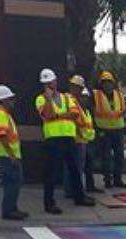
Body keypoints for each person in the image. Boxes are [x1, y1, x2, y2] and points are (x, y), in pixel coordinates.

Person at [35, 68, 94, 214]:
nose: (49, 85)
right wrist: (50, 101)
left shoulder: (67, 97)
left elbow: (75, 114)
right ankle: (49, 203)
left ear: (55, 81)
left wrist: (57, 115)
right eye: (46, 83)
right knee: (51, 172)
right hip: (53, 139)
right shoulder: (41, 99)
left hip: (69, 137)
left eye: (51, 82)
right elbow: (47, 115)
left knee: (74, 169)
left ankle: (79, 197)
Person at [0, 85, 27, 220]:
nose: (13, 101)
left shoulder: (4, 114)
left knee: (13, 182)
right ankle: (9, 211)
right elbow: (2, 135)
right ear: (3, 100)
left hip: (9, 154)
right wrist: (11, 155)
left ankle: (12, 208)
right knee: (13, 182)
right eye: (10, 99)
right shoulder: (0, 113)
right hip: (7, 155)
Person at [93, 70, 126, 189]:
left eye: (109, 83)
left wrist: (125, 131)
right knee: (106, 156)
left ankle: (118, 179)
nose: (107, 85)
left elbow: (125, 111)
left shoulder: (119, 95)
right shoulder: (96, 95)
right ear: (101, 84)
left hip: (118, 130)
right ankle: (108, 180)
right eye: (104, 83)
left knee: (119, 156)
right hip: (104, 130)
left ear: (113, 84)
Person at [65, 75, 101, 197]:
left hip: (83, 140)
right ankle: (73, 191)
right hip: (77, 139)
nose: (82, 95)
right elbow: (76, 121)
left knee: (79, 167)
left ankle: (75, 190)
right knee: (75, 167)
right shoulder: (71, 100)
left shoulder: (80, 105)